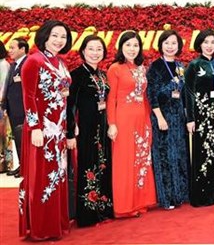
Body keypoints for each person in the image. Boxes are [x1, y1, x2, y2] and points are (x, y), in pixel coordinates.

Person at [18, 20, 73, 240]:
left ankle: (55, 223)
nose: (59, 40)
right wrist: (35, 128)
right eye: (55, 36)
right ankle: (41, 227)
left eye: (63, 37)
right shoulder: (34, 61)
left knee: (57, 175)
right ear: (44, 37)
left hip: (58, 129)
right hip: (42, 130)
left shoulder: (60, 61)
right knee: (42, 177)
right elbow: (28, 96)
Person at [65, 35, 114, 227]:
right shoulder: (76, 75)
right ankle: (87, 214)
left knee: (102, 164)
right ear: (83, 51)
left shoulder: (102, 75)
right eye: (91, 49)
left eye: (99, 49)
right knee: (87, 166)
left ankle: (103, 208)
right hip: (84, 128)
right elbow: (69, 106)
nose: (95, 53)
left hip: (101, 127)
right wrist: (70, 131)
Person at [106, 31, 156, 218]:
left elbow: (144, 97)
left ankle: (140, 201)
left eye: (135, 45)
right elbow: (111, 99)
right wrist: (112, 123)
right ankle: (124, 205)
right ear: (121, 47)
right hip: (123, 120)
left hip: (141, 119)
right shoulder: (115, 69)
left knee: (141, 159)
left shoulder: (141, 68)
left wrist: (148, 120)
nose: (132, 49)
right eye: (128, 45)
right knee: (125, 161)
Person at [146, 30, 189, 210]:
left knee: (179, 154)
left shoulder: (180, 66)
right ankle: (167, 198)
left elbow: (185, 93)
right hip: (163, 116)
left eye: (174, 43)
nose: (170, 46)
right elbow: (152, 94)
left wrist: (187, 116)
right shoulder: (155, 67)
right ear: (161, 45)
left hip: (178, 116)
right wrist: (160, 117)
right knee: (165, 156)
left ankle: (181, 194)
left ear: (178, 46)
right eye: (167, 43)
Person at [184, 29, 214, 207]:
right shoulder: (194, 65)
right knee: (202, 153)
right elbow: (189, 92)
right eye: (206, 42)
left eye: (213, 42)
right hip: (201, 115)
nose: (210, 46)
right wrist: (190, 118)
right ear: (200, 44)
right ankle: (202, 196)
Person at [1, 37, 28, 178]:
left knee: (24, 140)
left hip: (23, 109)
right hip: (13, 109)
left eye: (12, 48)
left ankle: (26, 167)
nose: (9, 50)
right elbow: (8, 87)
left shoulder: (28, 64)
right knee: (18, 140)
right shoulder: (13, 65)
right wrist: (5, 105)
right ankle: (22, 165)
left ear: (22, 49)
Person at [0, 42, 11, 174]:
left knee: (4, 137)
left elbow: (3, 88)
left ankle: (5, 164)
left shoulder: (3, 64)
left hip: (1, 106)